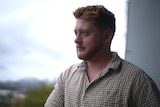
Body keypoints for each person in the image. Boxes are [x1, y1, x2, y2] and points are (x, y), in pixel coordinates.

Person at [44, 5, 160, 107]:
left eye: (85, 33)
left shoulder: (137, 80)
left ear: (106, 37)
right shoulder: (67, 76)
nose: (76, 40)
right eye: (76, 33)